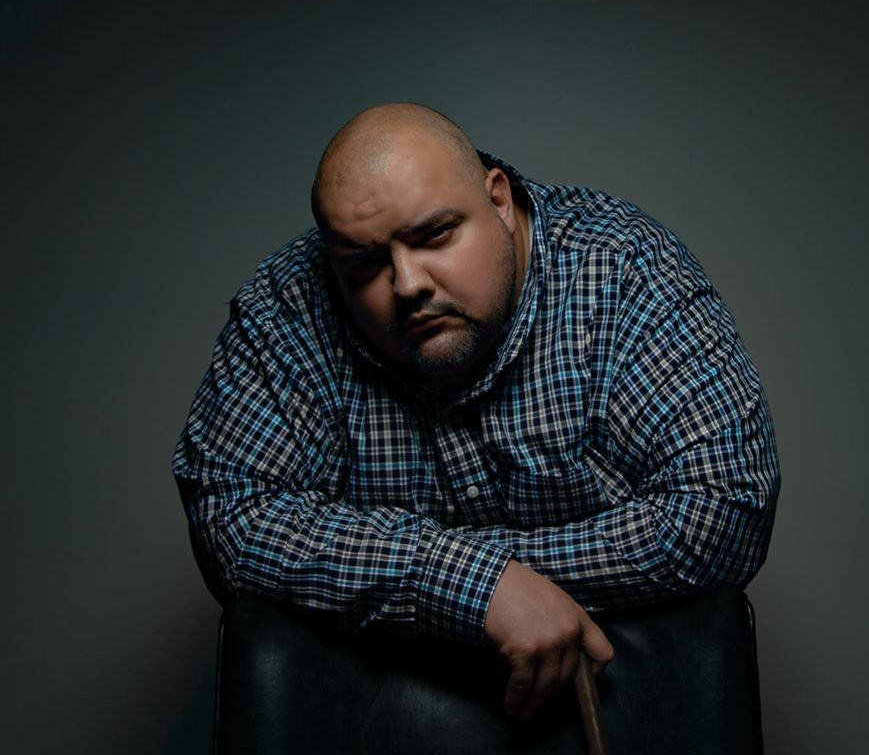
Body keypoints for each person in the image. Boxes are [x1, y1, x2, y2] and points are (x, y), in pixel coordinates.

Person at [173, 102, 780, 722]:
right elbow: (231, 513)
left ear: (498, 198)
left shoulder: (621, 269)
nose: (407, 284)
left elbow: (727, 504)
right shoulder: (288, 306)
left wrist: (493, 578)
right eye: (364, 265)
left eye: (435, 235)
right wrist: (473, 584)